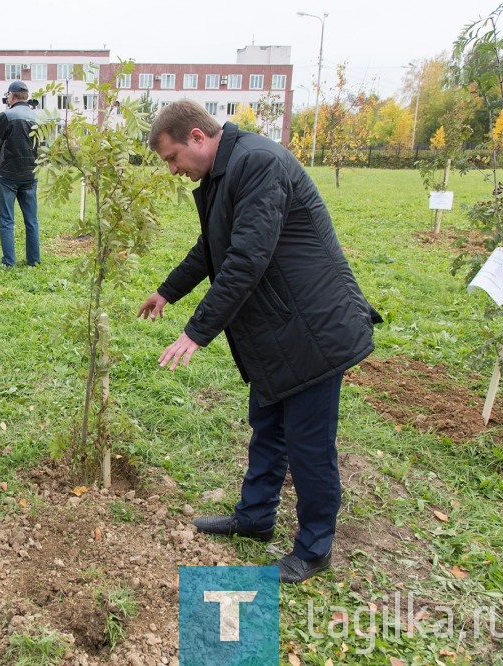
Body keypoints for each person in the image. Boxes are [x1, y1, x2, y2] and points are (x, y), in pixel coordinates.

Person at [137, 100, 381, 583]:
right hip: (279, 329)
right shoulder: (223, 175)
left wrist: (196, 332)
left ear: (197, 137)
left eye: (172, 158)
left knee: (309, 445)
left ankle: (315, 548)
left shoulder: (258, 162)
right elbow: (213, 247)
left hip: (313, 329)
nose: (172, 170)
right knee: (267, 426)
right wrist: (168, 290)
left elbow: (247, 259)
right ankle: (255, 517)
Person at [0, 80, 40, 267]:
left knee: (7, 220)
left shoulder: (6, 115)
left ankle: (9, 261)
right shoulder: (37, 118)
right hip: (31, 175)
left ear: (11, 95)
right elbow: (44, 147)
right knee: (32, 220)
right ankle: (34, 261)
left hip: (9, 175)